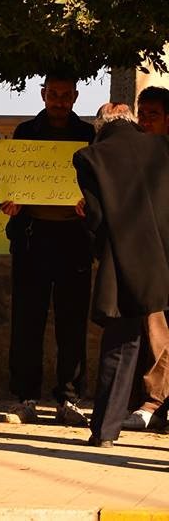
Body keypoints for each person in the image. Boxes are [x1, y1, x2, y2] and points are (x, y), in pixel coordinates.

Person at [0, 75, 95, 427]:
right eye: (53, 94)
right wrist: (12, 202)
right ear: (43, 94)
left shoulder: (88, 136)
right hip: (32, 237)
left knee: (72, 323)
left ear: (75, 96)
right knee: (27, 321)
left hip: (74, 238)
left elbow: (96, 185)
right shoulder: (25, 132)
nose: (59, 100)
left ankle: (69, 399)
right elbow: (10, 182)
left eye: (65, 95)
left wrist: (91, 205)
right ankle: (25, 398)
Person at [73, 103, 169, 447]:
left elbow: (97, 220)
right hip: (166, 257)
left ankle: (105, 431)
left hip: (123, 262)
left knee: (120, 346)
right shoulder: (162, 146)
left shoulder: (90, 157)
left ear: (100, 126)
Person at [120, 86, 169, 431]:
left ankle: (157, 403)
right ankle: (154, 401)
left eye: (153, 114)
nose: (145, 120)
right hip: (151, 258)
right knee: (155, 325)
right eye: (142, 113)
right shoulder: (134, 156)